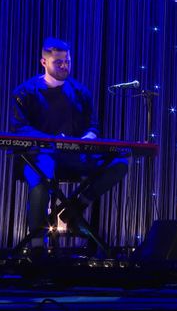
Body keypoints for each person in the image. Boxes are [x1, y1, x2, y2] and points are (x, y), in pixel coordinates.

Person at [10, 37, 128, 251]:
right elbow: (20, 128)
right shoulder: (25, 92)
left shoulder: (81, 92)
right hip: (39, 155)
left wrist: (88, 137)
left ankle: (74, 208)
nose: (65, 66)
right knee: (42, 178)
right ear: (44, 62)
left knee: (119, 164)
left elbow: (92, 126)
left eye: (68, 61)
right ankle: (37, 246)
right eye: (59, 62)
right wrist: (54, 141)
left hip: (73, 157)